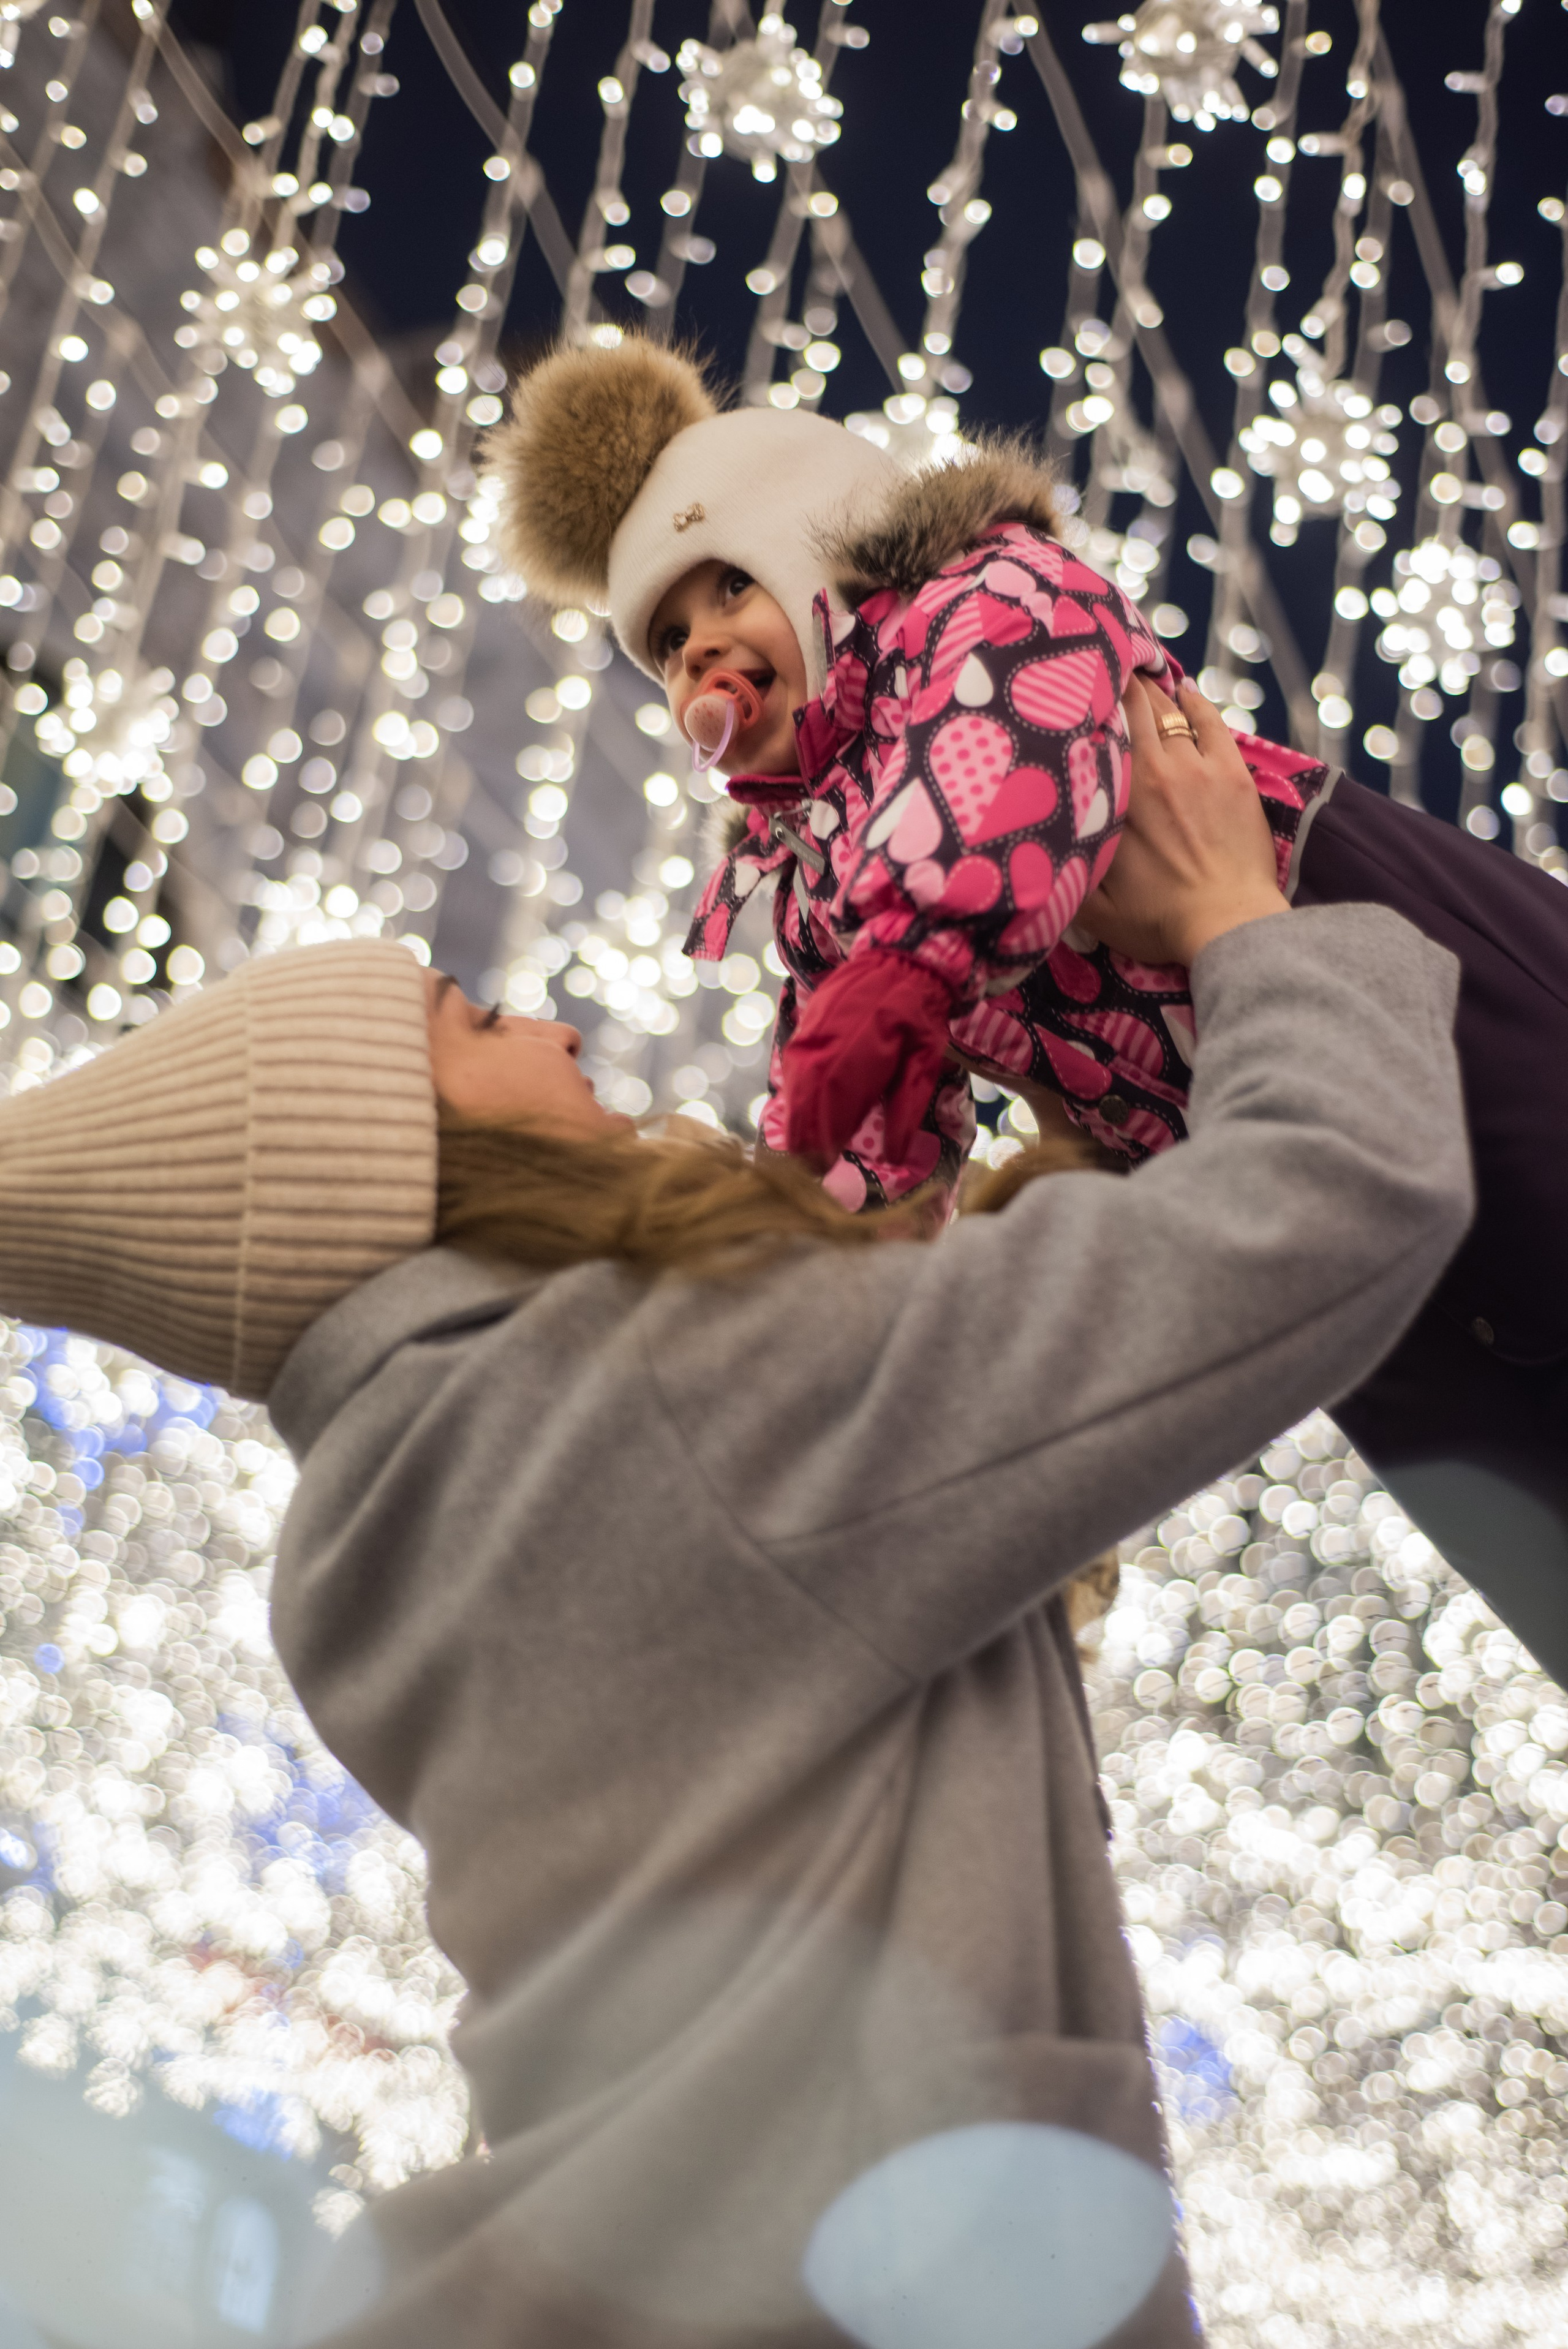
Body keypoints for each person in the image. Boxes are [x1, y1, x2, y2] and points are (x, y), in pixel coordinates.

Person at [0, 723, 1469, 2343]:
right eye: (476, 1022)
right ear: (409, 1163)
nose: (548, 1016)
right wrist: (1238, 914)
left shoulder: (429, 1491)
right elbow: (1335, 1192)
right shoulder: (647, 1409)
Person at [488, 335, 1568, 1691]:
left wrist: (916, 955)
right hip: (1273, 1138)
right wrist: (814, 1247)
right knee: (1510, 1506)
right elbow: (863, 1101)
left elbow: (1007, 747)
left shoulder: (986, 601)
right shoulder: (821, 881)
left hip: (1396, 967)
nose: (698, 645)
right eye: (663, 642)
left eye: (724, 587)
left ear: (817, 546)